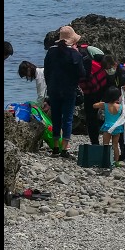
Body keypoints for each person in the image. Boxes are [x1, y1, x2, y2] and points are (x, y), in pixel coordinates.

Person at [42, 26, 85, 157]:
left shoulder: (51, 52)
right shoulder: (75, 54)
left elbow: (46, 71)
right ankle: (64, 149)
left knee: (55, 118)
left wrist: (49, 85)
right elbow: (82, 73)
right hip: (68, 89)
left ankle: (55, 148)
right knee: (67, 119)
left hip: (54, 89)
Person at [78, 46, 110, 146]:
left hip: (103, 85)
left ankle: (104, 143)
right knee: (90, 117)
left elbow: (106, 62)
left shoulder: (89, 50)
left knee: (95, 116)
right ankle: (95, 143)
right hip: (91, 89)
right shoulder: (73, 54)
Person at [93, 87, 125, 165]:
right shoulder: (120, 106)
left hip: (107, 127)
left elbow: (94, 105)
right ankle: (117, 162)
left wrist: (103, 102)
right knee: (115, 145)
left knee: (105, 145)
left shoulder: (105, 105)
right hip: (117, 127)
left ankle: (105, 160)